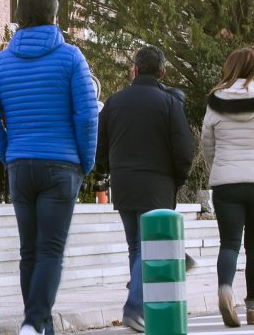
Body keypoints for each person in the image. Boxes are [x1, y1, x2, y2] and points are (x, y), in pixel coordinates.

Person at [0, 0, 98, 335]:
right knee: (50, 250)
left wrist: (9, 153)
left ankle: (40, 327)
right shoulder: (71, 57)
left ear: (18, 17)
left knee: (29, 251)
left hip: (21, 166)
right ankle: (32, 323)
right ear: (54, 15)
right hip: (62, 165)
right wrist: (84, 161)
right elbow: (88, 115)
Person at [96, 46, 196, 332]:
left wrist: (111, 169)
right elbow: (184, 150)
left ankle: (140, 306)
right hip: (158, 184)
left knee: (136, 247)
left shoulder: (114, 103)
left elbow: (100, 148)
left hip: (125, 184)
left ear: (135, 70)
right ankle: (135, 306)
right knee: (148, 248)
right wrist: (177, 179)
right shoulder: (169, 104)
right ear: (163, 72)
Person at [202, 47, 254, 328]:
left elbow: (207, 143)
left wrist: (220, 166)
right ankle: (253, 308)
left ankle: (226, 289)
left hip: (227, 180)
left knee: (229, 243)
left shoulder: (215, 101)